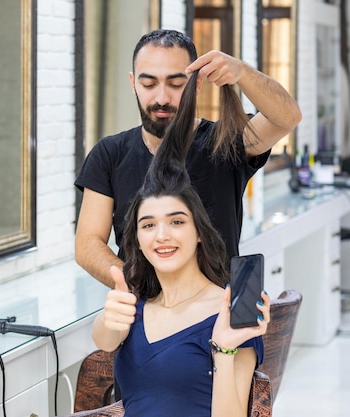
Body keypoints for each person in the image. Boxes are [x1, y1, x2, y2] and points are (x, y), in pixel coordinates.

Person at [91, 71, 271, 416]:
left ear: (199, 231)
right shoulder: (136, 305)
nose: (162, 235)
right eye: (148, 225)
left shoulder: (229, 314)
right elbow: (104, 340)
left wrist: (224, 349)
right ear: (138, 241)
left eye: (176, 222)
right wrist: (107, 319)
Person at [74, 29, 302, 289]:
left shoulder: (225, 143)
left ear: (197, 84)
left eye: (176, 84)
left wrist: (242, 73)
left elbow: (287, 117)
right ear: (133, 83)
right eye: (148, 84)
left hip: (217, 319)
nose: (161, 98)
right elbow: (87, 244)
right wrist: (137, 290)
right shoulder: (109, 154)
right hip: (145, 317)